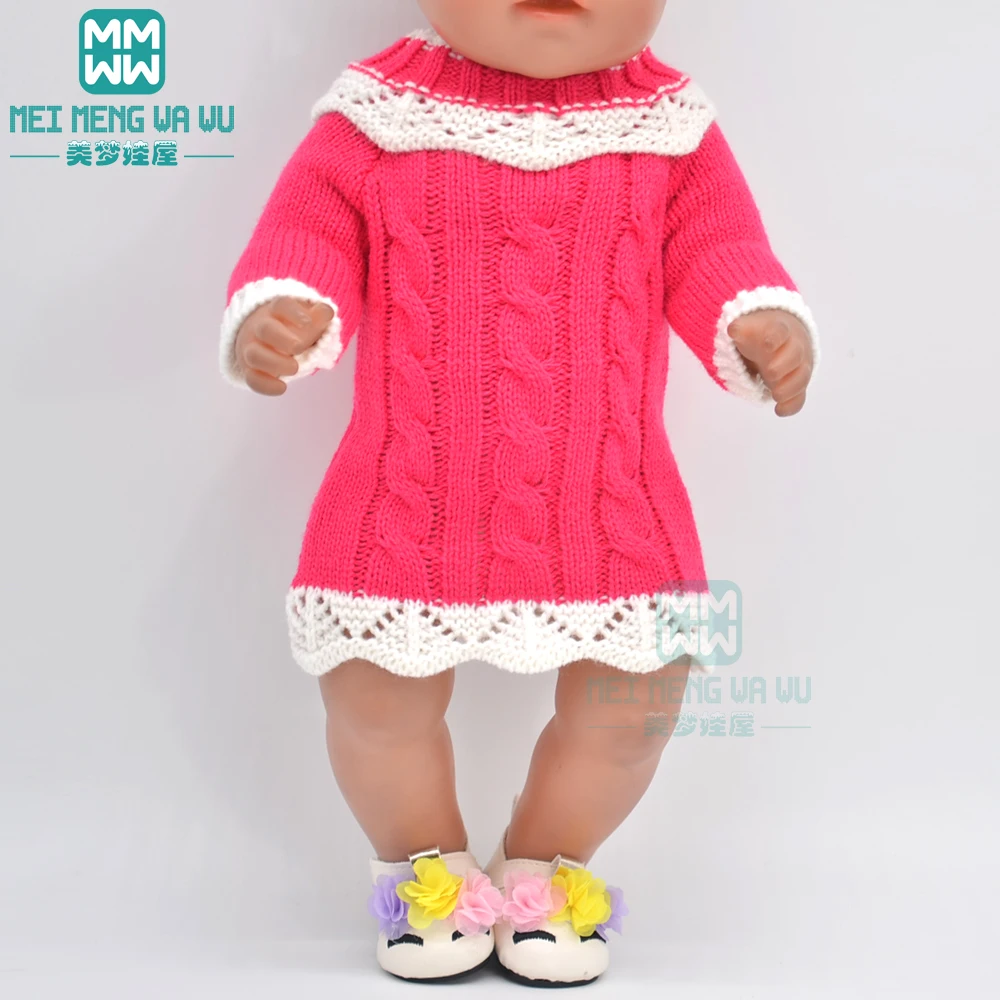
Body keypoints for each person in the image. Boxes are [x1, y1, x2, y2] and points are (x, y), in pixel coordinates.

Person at [218, 0, 818, 986]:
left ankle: (547, 860)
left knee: (636, 702)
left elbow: (721, 251)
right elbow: (305, 231)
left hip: (613, 500)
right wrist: (283, 306)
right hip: (407, 495)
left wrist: (758, 318)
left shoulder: (668, 126)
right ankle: (425, 866)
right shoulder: (377, 114)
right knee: (373, 697)